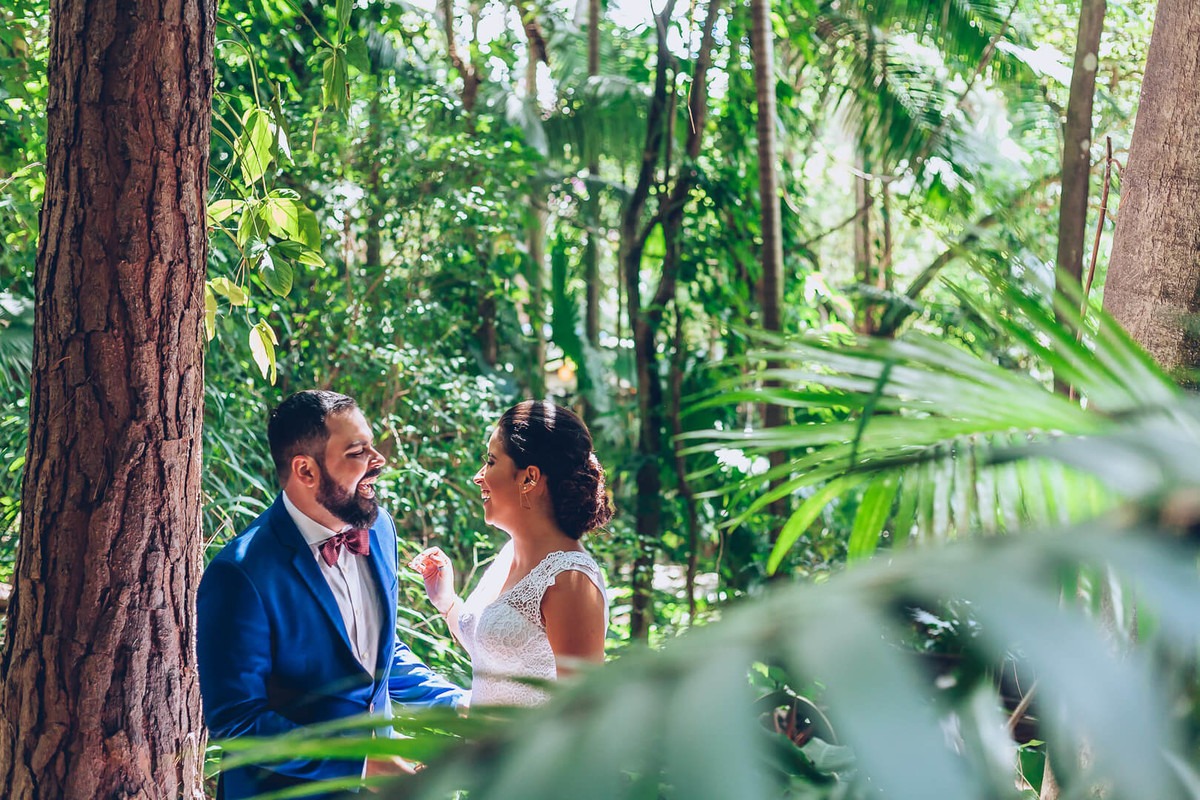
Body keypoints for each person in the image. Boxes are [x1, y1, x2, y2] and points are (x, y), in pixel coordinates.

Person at [197, 390, 466, 800]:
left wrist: (456, 704)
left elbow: (377, 654)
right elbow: (237, 721)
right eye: (358, 453)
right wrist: (361, 765)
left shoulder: (380, 531)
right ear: (305, 470)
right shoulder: (240, 573)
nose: (379, 461)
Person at [411, 400, 612, 707]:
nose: (479, 477)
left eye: (491, 462)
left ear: (529, 478)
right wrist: (447, 601)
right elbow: (497, 654)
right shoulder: (509, 554)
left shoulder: (571, 580)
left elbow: (582, 717)